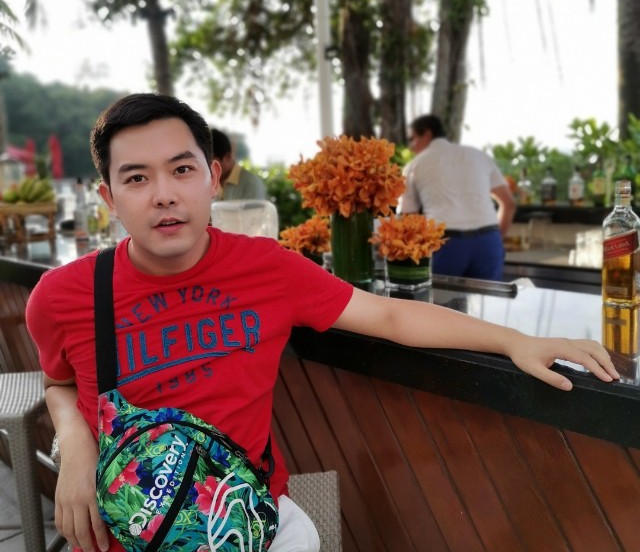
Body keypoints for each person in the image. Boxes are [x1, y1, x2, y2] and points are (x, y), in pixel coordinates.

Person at [26, 94, 618, 552]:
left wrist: (515, 340)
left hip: (252, 517)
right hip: (126, 530)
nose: (163, 194)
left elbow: (390, 314)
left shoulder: (268, 269)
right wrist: (74, 444)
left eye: (182, 169)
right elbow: (58, 382)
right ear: (109, 197)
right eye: (136, 178)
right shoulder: (62, 295)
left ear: (213, 177)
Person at [398, 114, 516, 281]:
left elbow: (408, 219)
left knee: (439, 298)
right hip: (488, 242)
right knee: (489, 298)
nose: (411, 147)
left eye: (412, 139)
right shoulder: (478, 155)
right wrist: (496, 237)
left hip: (445, 245)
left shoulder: (414, 166)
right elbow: (509, 203)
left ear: (427, 134)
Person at [210, 127, 267, 200]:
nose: (207, 169)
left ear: (228, 157)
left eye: (210, 163)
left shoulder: (251, 184)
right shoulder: (207, 183)